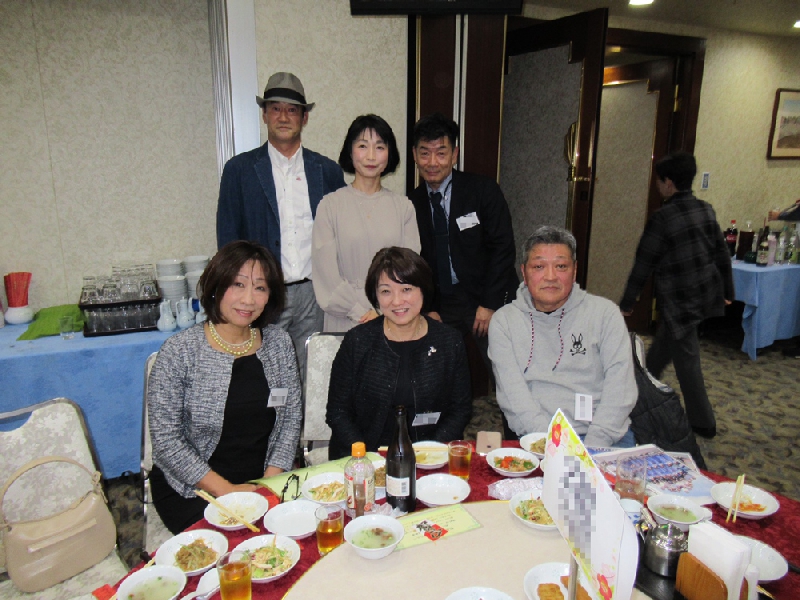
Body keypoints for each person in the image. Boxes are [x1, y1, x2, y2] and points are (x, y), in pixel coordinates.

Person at [147, 241, 302, 533]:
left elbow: (290, 420)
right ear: (216, 286)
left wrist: (269, 483)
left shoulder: (279, 344)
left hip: (264, 478)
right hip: (194, 488)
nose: (248, 299)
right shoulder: (179, 352)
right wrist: (228, 491)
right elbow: (167, 441)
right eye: (238, 284)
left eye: (260, 287)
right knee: (232, 551)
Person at [216, 72, 346, 377]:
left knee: (311, 372)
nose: (283, 117)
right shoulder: (240, 170)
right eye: (275, 108)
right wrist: (241, 291)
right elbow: (228, 238)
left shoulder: (326, 170)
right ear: (264, 115)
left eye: (292, 110)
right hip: (262, 292)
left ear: (305, 118)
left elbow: (341, 234)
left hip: (314, 294)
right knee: (262, 372)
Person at [488, 226, 637, 448]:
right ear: (524, 273)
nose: (550, 277)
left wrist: (592, 448)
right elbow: (514, 398)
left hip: (605, 437)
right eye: (539, 266)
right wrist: (556, 447)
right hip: (540, 437)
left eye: (561, 266)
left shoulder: (605, 314)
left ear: (574, 271)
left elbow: (621, 390)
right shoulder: (504, 322)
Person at [620, 152, 733, 439]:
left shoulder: (663, 218)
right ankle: (637, 399)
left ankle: (704, 422)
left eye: (659, 181)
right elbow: (721, 252)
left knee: (687, 360)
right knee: (660, 352)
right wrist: (727, 291)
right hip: (703, 292)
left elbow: (644, 262)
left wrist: (628, 302)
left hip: (681, 301)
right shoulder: (705, 209)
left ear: (668, 183)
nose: (657, 185)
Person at [326, 247, 472, 460]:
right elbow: (337, 412)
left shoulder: (449, 342)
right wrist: (366, 457)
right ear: (375, 296)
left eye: (406, 289)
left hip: (430, 458)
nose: (396, 301)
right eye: (386, 291)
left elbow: (460, 411)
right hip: (364, 459)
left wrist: (427, 454)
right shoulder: (357, 341)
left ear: (423, 290)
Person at [408, 113, 518, 379]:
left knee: (506, 373)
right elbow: (414, 261)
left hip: (485, 294)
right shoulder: (410, 203)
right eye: (425, 153)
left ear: (454, 154)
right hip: (440, 302)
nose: (432, 162)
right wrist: (428, 307)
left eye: (441, 153)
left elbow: (503, 247)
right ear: (414, 155)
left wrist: (489, 304)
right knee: (435, 373)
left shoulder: (482, 190)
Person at [312, 114, 420, 332]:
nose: (371, 156)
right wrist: (360, 312)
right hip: (344, 317)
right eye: (363, 146)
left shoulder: (404, 207)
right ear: (350, 151)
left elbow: (409, 271)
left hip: (393, 315)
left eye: (380, 147)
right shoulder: (329, 205)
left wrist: (382, 311)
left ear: (389, 154)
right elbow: (326, 276)